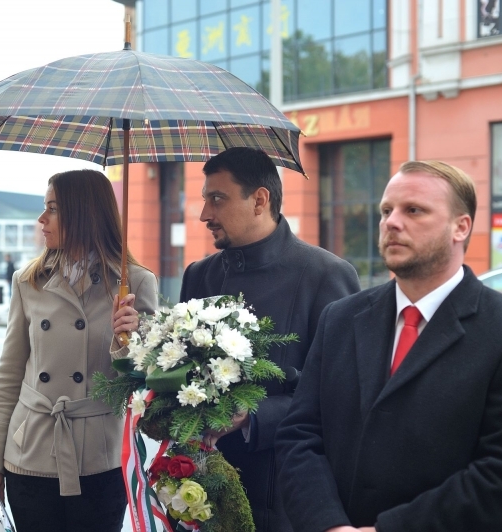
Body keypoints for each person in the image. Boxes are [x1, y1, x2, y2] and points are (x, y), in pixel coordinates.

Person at [112, 147, 360, 532]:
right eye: (204, 198)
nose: (204, 214)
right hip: (199, 492)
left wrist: (251, 418)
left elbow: (340, 397)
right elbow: (181, 378)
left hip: (285, 496)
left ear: (260, 200)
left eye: (218, 198)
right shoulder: (199, 275)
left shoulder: (325, 275)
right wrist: (140, 342)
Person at [275, 161, 502, 532]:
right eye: (386, 210)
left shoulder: (497, 328)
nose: (392, 222)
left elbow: (497, 472)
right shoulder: (340, 319)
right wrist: (328, 524)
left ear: (461, 227)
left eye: (414, 210)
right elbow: (299, 434)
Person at [0, 169, 158, 532]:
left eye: (53, 209)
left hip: (99, 460)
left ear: (83, 213)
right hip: (31, 454)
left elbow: (146, 382)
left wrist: (129, 338)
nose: (41, 220)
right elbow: (9, 375)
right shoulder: (29, 281)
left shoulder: (135, 282)